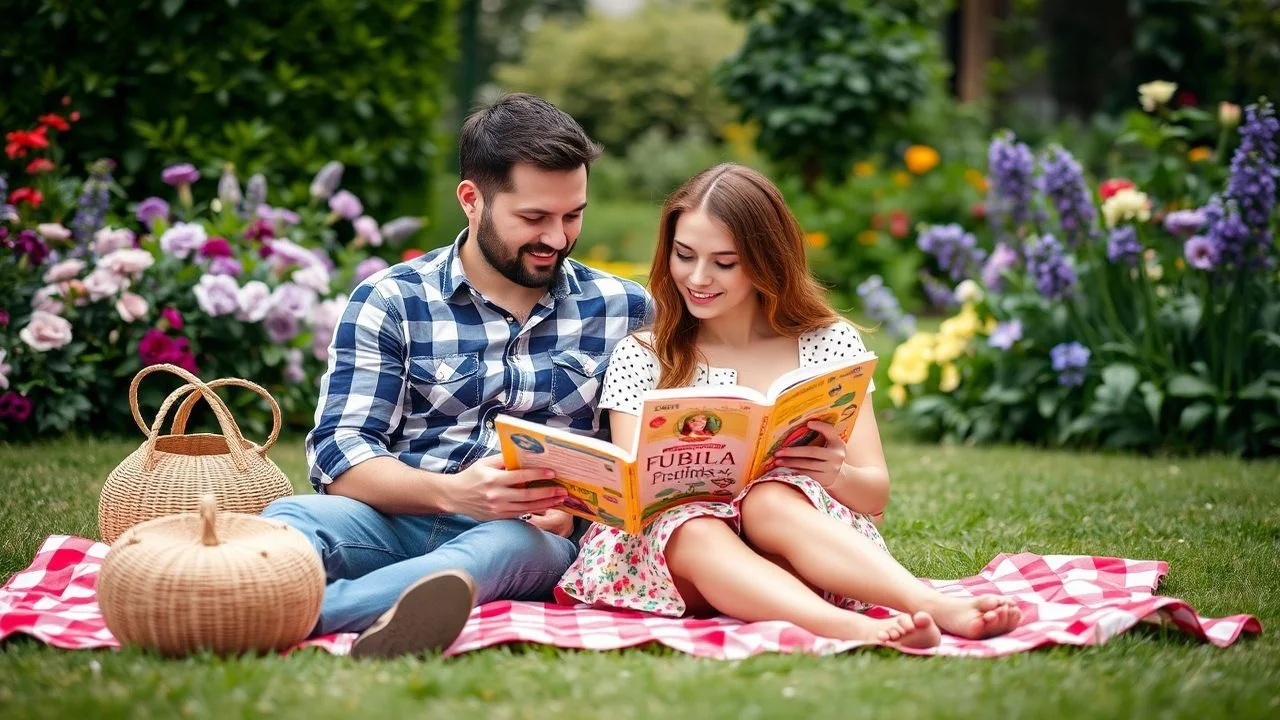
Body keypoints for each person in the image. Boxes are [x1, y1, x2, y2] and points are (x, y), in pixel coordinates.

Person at [556, 164, 1021, 648]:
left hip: (795, 545)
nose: (697, 278)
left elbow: (875, 496)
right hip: (676, 563)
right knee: (690, 525)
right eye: (684, 255)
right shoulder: (645, 354)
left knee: (770, 497)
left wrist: (834, 473)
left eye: (724, 262)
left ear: (765, 260)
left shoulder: (827, 343)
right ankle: (853, 630)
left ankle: (936, 605)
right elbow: (639, 498)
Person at [264, 93, 651, 658]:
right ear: (471, 199)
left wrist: (572, 512)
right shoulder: (392, 299)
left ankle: (289, 617)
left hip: (534, 539)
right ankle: (250, 591)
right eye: (533, 217)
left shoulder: (626, 309)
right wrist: (456, 494)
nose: (558, 238)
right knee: (295, 516)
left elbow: (643, 460)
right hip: (398, 519)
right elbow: (339, 452)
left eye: (573, 215)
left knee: (505, 547)